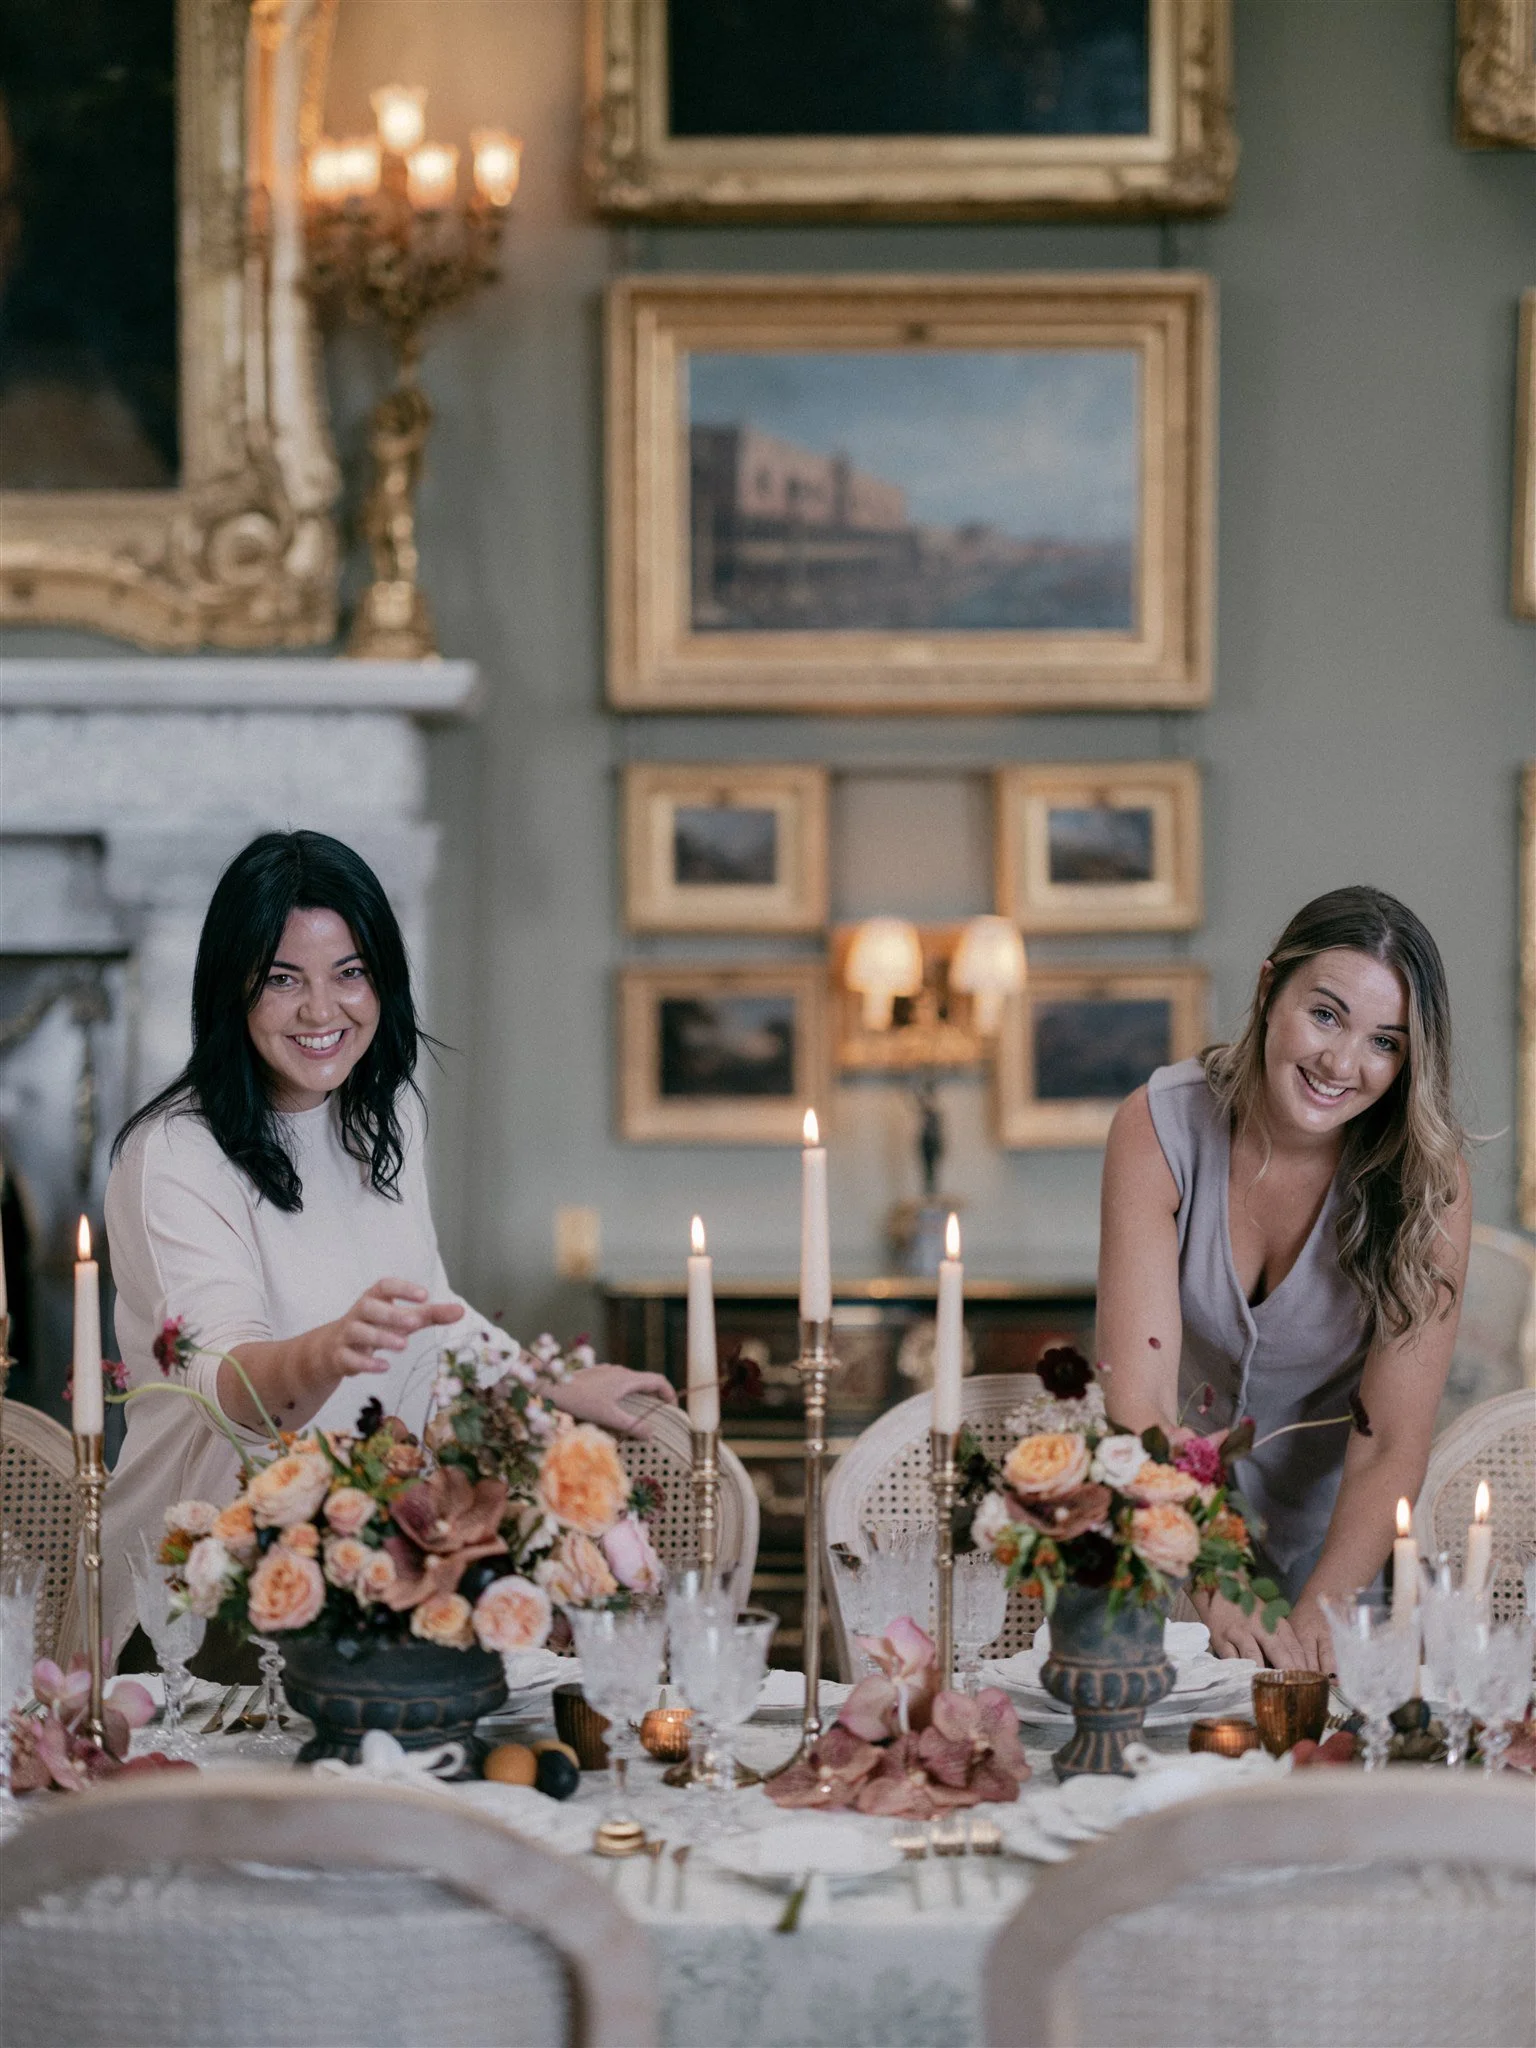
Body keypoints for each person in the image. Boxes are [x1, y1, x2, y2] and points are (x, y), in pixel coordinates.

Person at [102, 830, 675, 1662]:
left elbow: (434, 1324)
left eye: (350, 974)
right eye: (282, 980)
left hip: (362, 1585)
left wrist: (555, 1383)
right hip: (200, 1611)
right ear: (232, 989)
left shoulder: (382, 1118)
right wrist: (328, 1352)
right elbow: (221, 1385)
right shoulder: (174, 1155)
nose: (322, 1011)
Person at [1096, 886, 1471, 1671]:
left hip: (1339, 1560)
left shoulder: (1430, 1181)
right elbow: (1141, 1402)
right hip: (1166, 1544)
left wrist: (1316, 1623)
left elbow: (1392, 1442)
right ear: (1270, 989)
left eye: (1385, 1042)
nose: (1342, 1064)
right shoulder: (1157, 1126)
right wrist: (1209, 1577)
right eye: (1326, 1015)